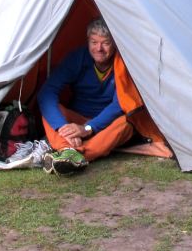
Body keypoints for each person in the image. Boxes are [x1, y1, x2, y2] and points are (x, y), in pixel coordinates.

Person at [37, 18, 134, 175]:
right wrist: (63, 127)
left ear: (115, 43)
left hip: (105, 125)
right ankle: (67, 149)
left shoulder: (123, 62)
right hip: (76, 122)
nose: (99, 48)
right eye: (94, 42)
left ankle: (75, 155)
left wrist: (88, 128)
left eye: (106, 43)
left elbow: (120, 103)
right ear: (87, 41)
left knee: (127, 123)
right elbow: (47, 93)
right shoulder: (77, 58)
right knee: (53, 110)